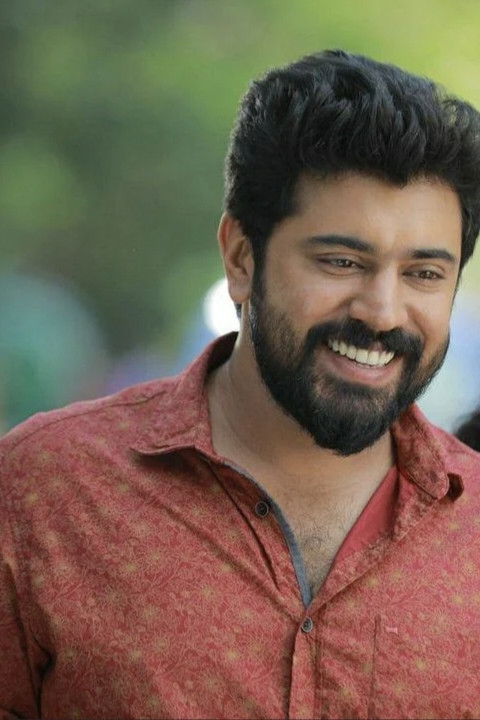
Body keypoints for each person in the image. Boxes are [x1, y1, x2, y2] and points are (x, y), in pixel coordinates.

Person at [1, 50, 480, 720]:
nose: (382, 312)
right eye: (341, 261)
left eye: (424, 274)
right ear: (240, 257)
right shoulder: (42, 492)